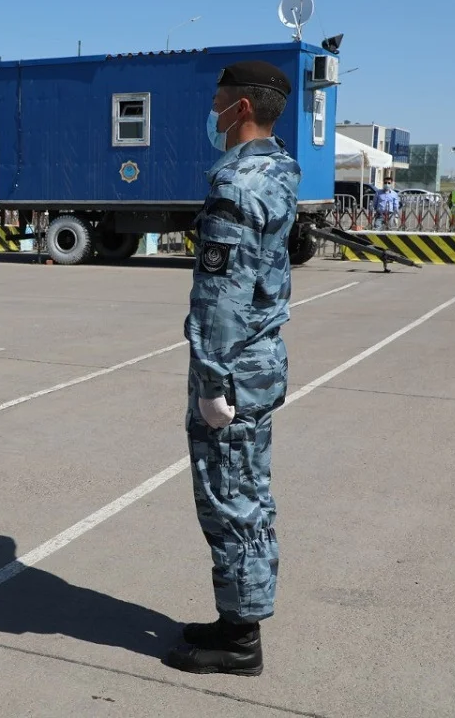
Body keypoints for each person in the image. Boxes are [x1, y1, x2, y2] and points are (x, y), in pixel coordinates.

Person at [165, 61, 301, 676]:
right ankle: (233, 617)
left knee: (231, 498)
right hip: (261, 363)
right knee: (246, 490)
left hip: (234, 371)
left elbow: (223, 298)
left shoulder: (237, 185)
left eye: (218, 101)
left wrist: (213, 380)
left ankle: (240, 639)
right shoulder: (279, 168)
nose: (211, 111)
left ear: (241, 107)